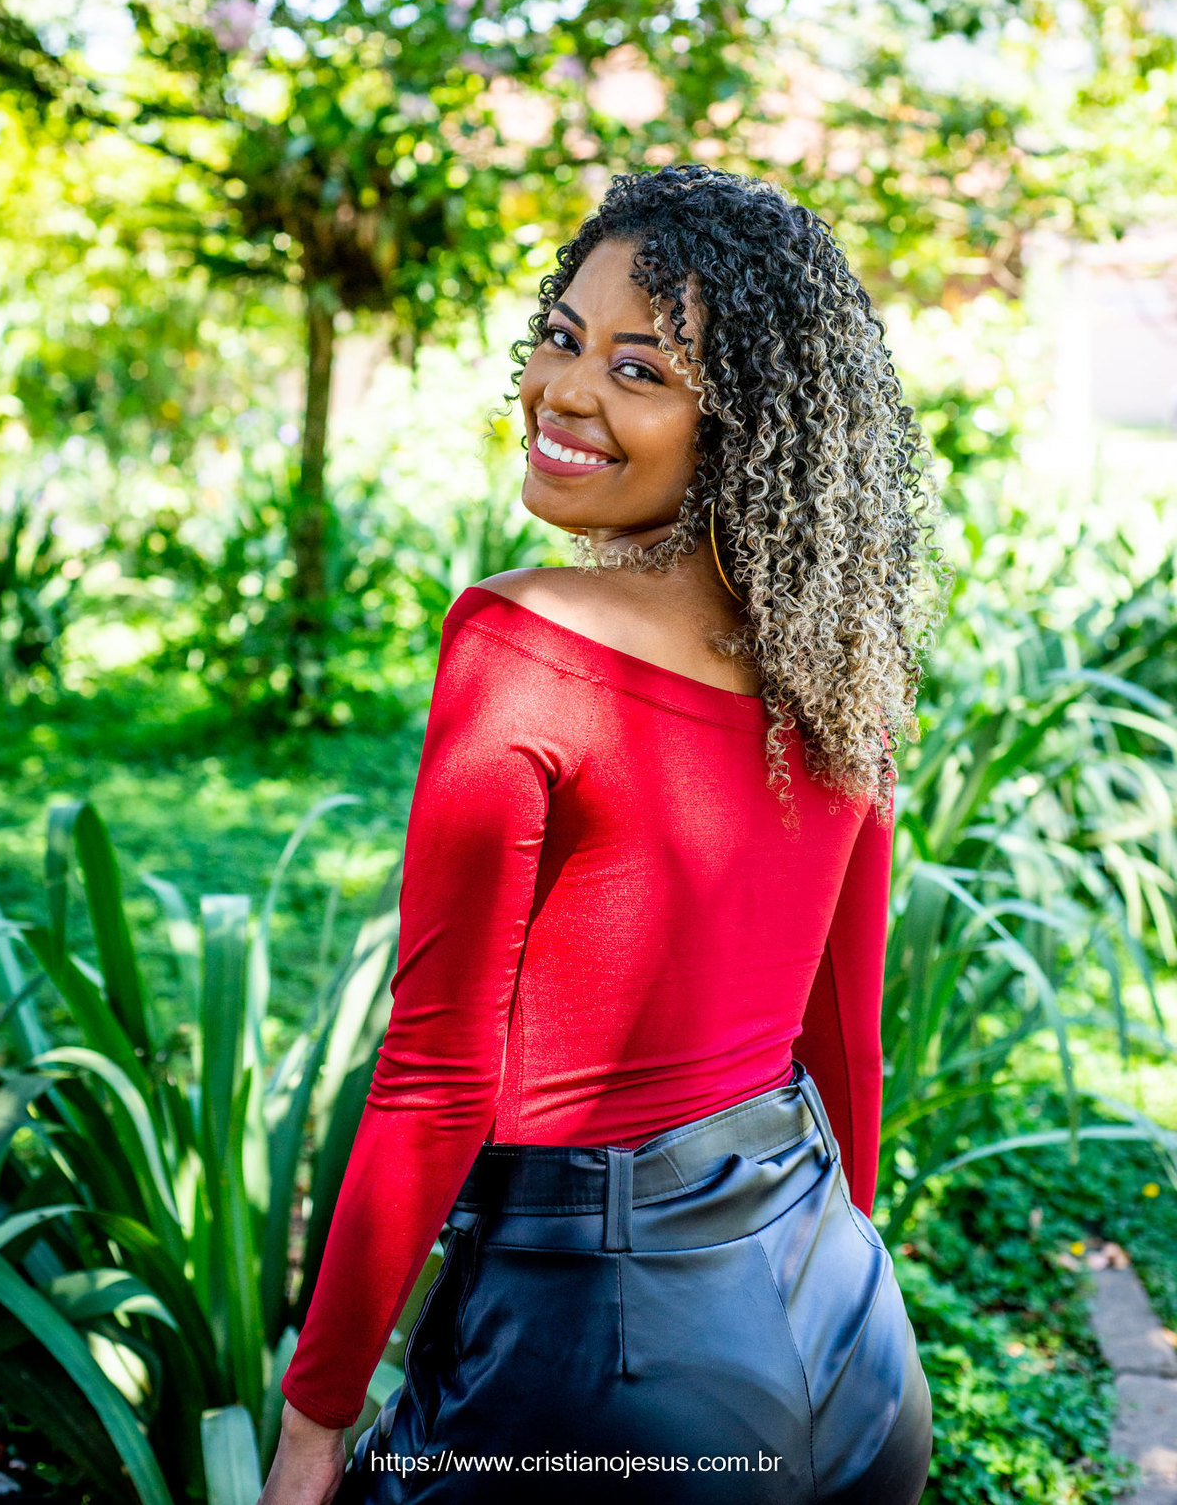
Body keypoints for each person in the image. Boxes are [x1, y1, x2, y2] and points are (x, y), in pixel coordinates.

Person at [259, 164, 950, 1504]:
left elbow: (435, 1075)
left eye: (641, 370)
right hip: (848, 1345)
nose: (563, 392)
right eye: (562, 338)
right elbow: (843, 1036)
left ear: (741, 430)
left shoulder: (524, 647)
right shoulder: (835, 670)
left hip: (608, 1367)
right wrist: (821, 1294)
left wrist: (312, 1425)